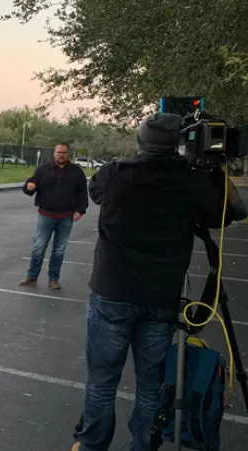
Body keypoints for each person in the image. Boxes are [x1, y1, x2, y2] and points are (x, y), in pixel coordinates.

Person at [72, 112, 247, 451]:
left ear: (140, 141)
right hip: (160, 300)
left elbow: (95, 190)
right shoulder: (189, 182)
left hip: (112, 295)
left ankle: (92, 445)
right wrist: (214, 167)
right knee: (151, 386)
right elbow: (234, 212)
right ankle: (142, 445)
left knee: (102, 381)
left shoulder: (114, 176)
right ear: (179, 145)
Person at [20, 142, 88, 289]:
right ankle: (32, 276)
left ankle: (53, 279)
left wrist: (81, 210)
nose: (61, 155)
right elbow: (31, 184)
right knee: (38, 247)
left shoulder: (76, 172)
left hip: (66, 218)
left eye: (64, 152)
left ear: (68, 154)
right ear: (54, 153)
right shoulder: (43, 170)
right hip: (45, 216)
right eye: (58, 152)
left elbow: (83, 193)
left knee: (59, 250)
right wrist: (28, 187)